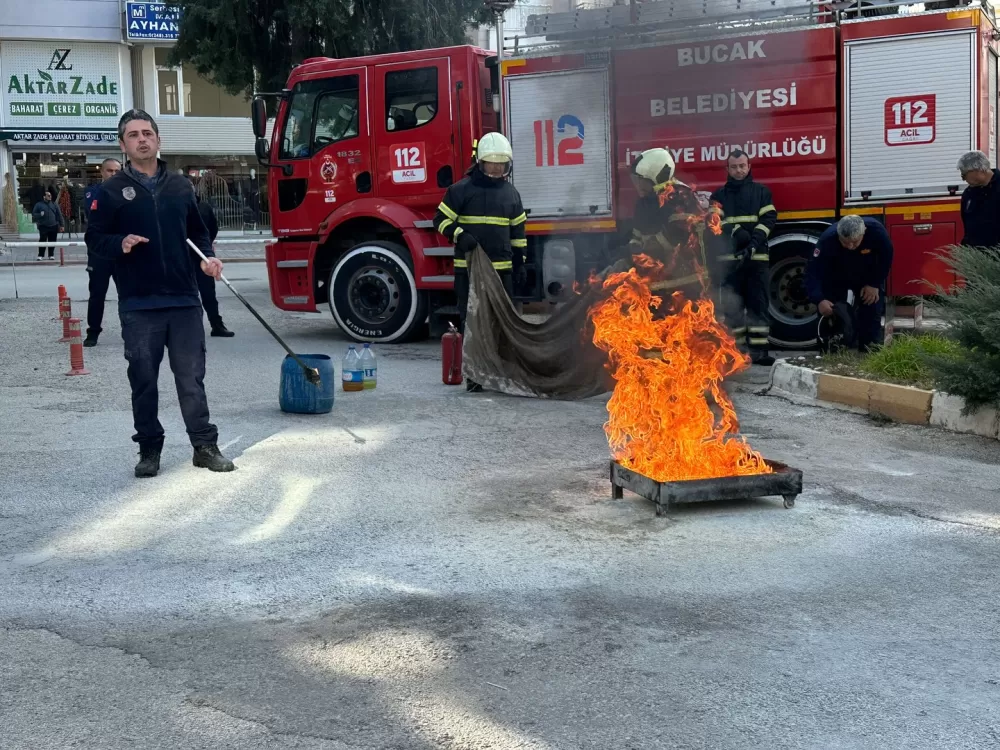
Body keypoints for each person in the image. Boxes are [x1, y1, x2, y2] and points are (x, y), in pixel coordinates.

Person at [85, 109, 235, 478]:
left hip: (183, 299)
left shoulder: (181, 186)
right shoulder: (110, 190)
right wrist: (120, 242)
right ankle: (149, 449)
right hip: (139, 303)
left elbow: (198, 234)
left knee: (191, 380)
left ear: (158, 139)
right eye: (133, 134)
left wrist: (208, 259)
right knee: (144, 381)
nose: (142, 139)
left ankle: (204, 446)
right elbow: (95, 239)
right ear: (123, 145)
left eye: (147, 132)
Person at [434, 131, 527, 391]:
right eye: (492, 163)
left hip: (502, 273)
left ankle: (500, 373)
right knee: (472, 322)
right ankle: (475, 375)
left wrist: (520, 261)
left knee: (502, 323)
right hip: (469, 272)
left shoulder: (511, 194)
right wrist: (460, 235)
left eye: (501, 164)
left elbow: (518, 231)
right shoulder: (460, 190)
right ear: (480, 162)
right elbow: (440, 220)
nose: (497, 169)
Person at [624, 147, 724, 306]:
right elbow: (637, 234)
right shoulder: (643, 202)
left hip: (684, 281)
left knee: (683, 321)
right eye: (636, 180)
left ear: (657, 177)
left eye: (641, 181)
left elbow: (677, 237)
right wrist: (633, 248)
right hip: (655, 276)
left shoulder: (680, 197)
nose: (638, 185)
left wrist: (645, 251)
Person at [710, 149, 777, 366]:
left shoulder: (762, 192)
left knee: (758, 305)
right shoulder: (718, 196)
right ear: (727, 169)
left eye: (742, 165)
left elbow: (768, 219)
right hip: (729, 262)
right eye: (734, 166)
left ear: (749, 167)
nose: (739, 170)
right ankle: (736, 352)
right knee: (733, 307)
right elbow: (715, 221)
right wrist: (738, 232)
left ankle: (759, 352)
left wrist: (753, 242)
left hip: (756, 260)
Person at [806, 215, 893, 353]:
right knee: (831, 313)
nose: (850, 246)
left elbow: (886, 258)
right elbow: (813, 271)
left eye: (855, 242)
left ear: (863, 232)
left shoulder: (877, 232)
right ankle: (832, 353)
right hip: (836, 276)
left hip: (866, 275)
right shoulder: (827, 239)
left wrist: (874, 283)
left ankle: (869, 353)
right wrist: (819, 299)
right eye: (845, 242)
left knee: (871, 312)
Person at [82, 158, 122, 347]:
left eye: (117, 171)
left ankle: (131, 329)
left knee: (128, 294)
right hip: (99, 252)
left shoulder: (129, 191)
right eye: (109, 171)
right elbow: (95, 215)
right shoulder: (93, 192)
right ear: (102, 172)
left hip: (122, 251)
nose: (113, 174)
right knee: (97, 293)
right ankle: (93, 331)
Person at [193, 191, 235, 337]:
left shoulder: (203, 207)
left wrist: (207, 247)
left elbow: (212, 228)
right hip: (180, 257)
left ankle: (216, 325)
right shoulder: (174, 207)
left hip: (202, 256)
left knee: (208, 293)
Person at [956, 150, 1000, 248]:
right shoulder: (968, 194)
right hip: (977, 257)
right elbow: (967, 227)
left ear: (978, 170)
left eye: (964, 174)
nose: (963, 179)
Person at [31, 190, 63, 260]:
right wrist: (40, 215)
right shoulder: (39, 205)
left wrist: (62, 225)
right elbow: (34, 214)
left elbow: (59, 215)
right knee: (42, 241)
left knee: (52, 241)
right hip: (43, 226)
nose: (50, 197)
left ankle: (51, 255)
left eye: (50, 195)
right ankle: (40, 255)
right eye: (48, 195)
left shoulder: (54, 204)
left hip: (53, 226)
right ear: (44, 197)